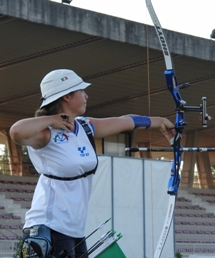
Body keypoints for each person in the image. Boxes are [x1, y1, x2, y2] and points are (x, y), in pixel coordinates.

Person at [10, 69, 176, 258]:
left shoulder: (84, 127)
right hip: (49, 226)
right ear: (66, 96)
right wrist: (51, 120)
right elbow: (16, 132)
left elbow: (125, 121)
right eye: (81, 91)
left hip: (75, 230)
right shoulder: (45, 133)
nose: (86, 95)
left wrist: (160, 121)